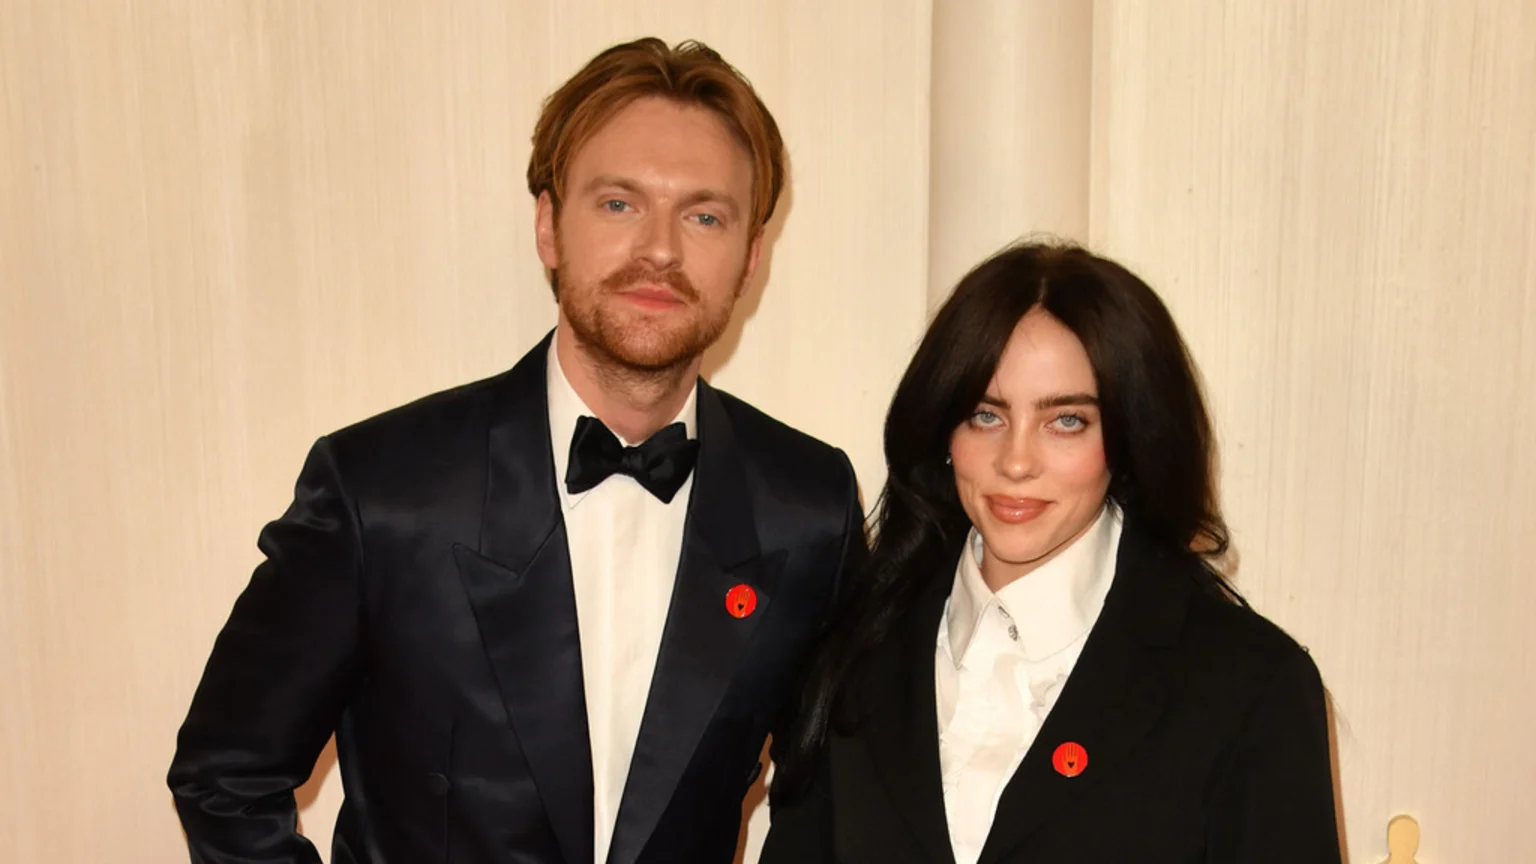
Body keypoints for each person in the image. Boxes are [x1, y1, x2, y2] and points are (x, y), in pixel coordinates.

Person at [168, 37, 865, 864]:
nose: (662, 251)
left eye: (705, 215)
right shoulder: (382, 490)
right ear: (548, 226)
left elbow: (830, 802)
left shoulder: (809, 506)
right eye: (618, 204)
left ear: (750, 257)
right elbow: (225, 776)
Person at [762, 242, 1340, 863]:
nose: (1016, 461)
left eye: (1065, 421)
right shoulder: (857, 649)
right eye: (985, 415)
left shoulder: (1249, 686)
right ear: (942, 431)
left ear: (1126, 439)